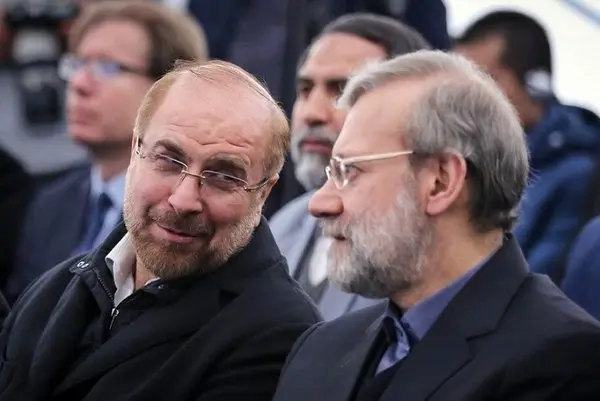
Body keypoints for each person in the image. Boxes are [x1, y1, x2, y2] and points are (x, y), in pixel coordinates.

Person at [272, 50, 600, 401]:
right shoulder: (319, 348)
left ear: (441, 182)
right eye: (330, 172)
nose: (319, 203)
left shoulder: (560, 361)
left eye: (348, 171)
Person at [0, 59, 321, 400]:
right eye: (169, 160)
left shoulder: (280, 335)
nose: (183, 200)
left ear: (264, 193)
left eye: (223, 176)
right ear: (135, 151)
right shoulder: (52, 289)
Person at [3, 1, 208, 304]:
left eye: (107, 67)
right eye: (76, 65)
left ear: (169, 89)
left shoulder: (183, 211)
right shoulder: (50, 204)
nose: (79, 84)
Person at [270, 13, 430, 320]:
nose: (312, 113)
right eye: (305, 89)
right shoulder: (284, 225)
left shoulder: (413, 241)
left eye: (342, 90)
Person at [453, 11, 600, 281]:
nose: (464, 99)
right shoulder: (461, 151)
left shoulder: (580, 174)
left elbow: (535, 283)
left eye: (483, 81)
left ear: (533, 85)